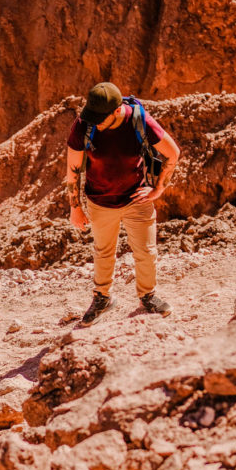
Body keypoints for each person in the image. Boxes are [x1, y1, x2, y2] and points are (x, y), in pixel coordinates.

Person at [66, 82, 180, 326]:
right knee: (103, 253)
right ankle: (102, 298)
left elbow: (172, 153)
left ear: (116, 111)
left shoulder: (140, 121)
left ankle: (147, 297)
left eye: (100, 118)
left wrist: (158, 189)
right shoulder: (84, 125)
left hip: (136, 199)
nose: (94, 123)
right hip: (99, 200)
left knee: (146, 253)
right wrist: (75, 206)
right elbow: (73, 168)